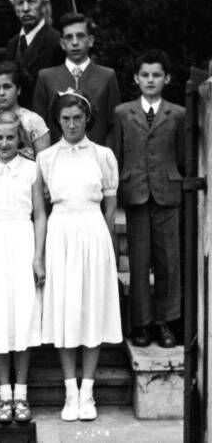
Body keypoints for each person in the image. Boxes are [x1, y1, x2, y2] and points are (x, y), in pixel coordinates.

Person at [37, 89, 122, 422]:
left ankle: (88, 392)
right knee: (65, 310)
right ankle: (70, 392)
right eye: (65, 119)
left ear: (87, 118)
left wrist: (106, 247)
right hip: (61, 234)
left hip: (93, 233)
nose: (71, 124)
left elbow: (110, 207)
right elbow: (42, 208)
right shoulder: (46, 158)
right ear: (57, 121)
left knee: (91, 310)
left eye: (77, 118)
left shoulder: (103, 155)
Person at [0, 111, 46, 424]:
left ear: (20, 139)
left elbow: (40, 215)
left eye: (10, 137)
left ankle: (22, 393)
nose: (4, 143)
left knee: (24, 315)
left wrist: (38, 257)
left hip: (24, 241)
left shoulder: (32, 169)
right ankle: (4, 393)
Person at [113, 50, 184, 348]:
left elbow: (182, 154)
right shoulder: (123, 113)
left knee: (168, 261)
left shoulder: (177, 113)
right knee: (139, 262)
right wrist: (120, 189)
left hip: (167, 193)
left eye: (157, 75)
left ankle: (165, 322)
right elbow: (117, 153)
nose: (151, 80)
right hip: (136, 193)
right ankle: (141, 324)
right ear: (136, 79)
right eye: (145, 75)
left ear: (167, 78)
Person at [33, 13, 120, 146]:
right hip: (58, 155)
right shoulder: (46, 77)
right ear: (62, 43)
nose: (74, 42)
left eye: (80, 36)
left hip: (96, 155)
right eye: (69, 37)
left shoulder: (107, 76)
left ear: (90, 40)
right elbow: (39, 127)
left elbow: (113, 126)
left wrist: (108, 156)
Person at [0, 61, 50, 164]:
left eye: (7, 87)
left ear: (18, 89)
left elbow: (44, 164)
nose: (1, 93)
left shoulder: (33, 121)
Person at [6, 0, 64, 108]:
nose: (25, 8)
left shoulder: (57, 41)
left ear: (43, 6)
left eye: (32, 1)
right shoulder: (12, 44)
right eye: (20, 3)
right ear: (14, 9)